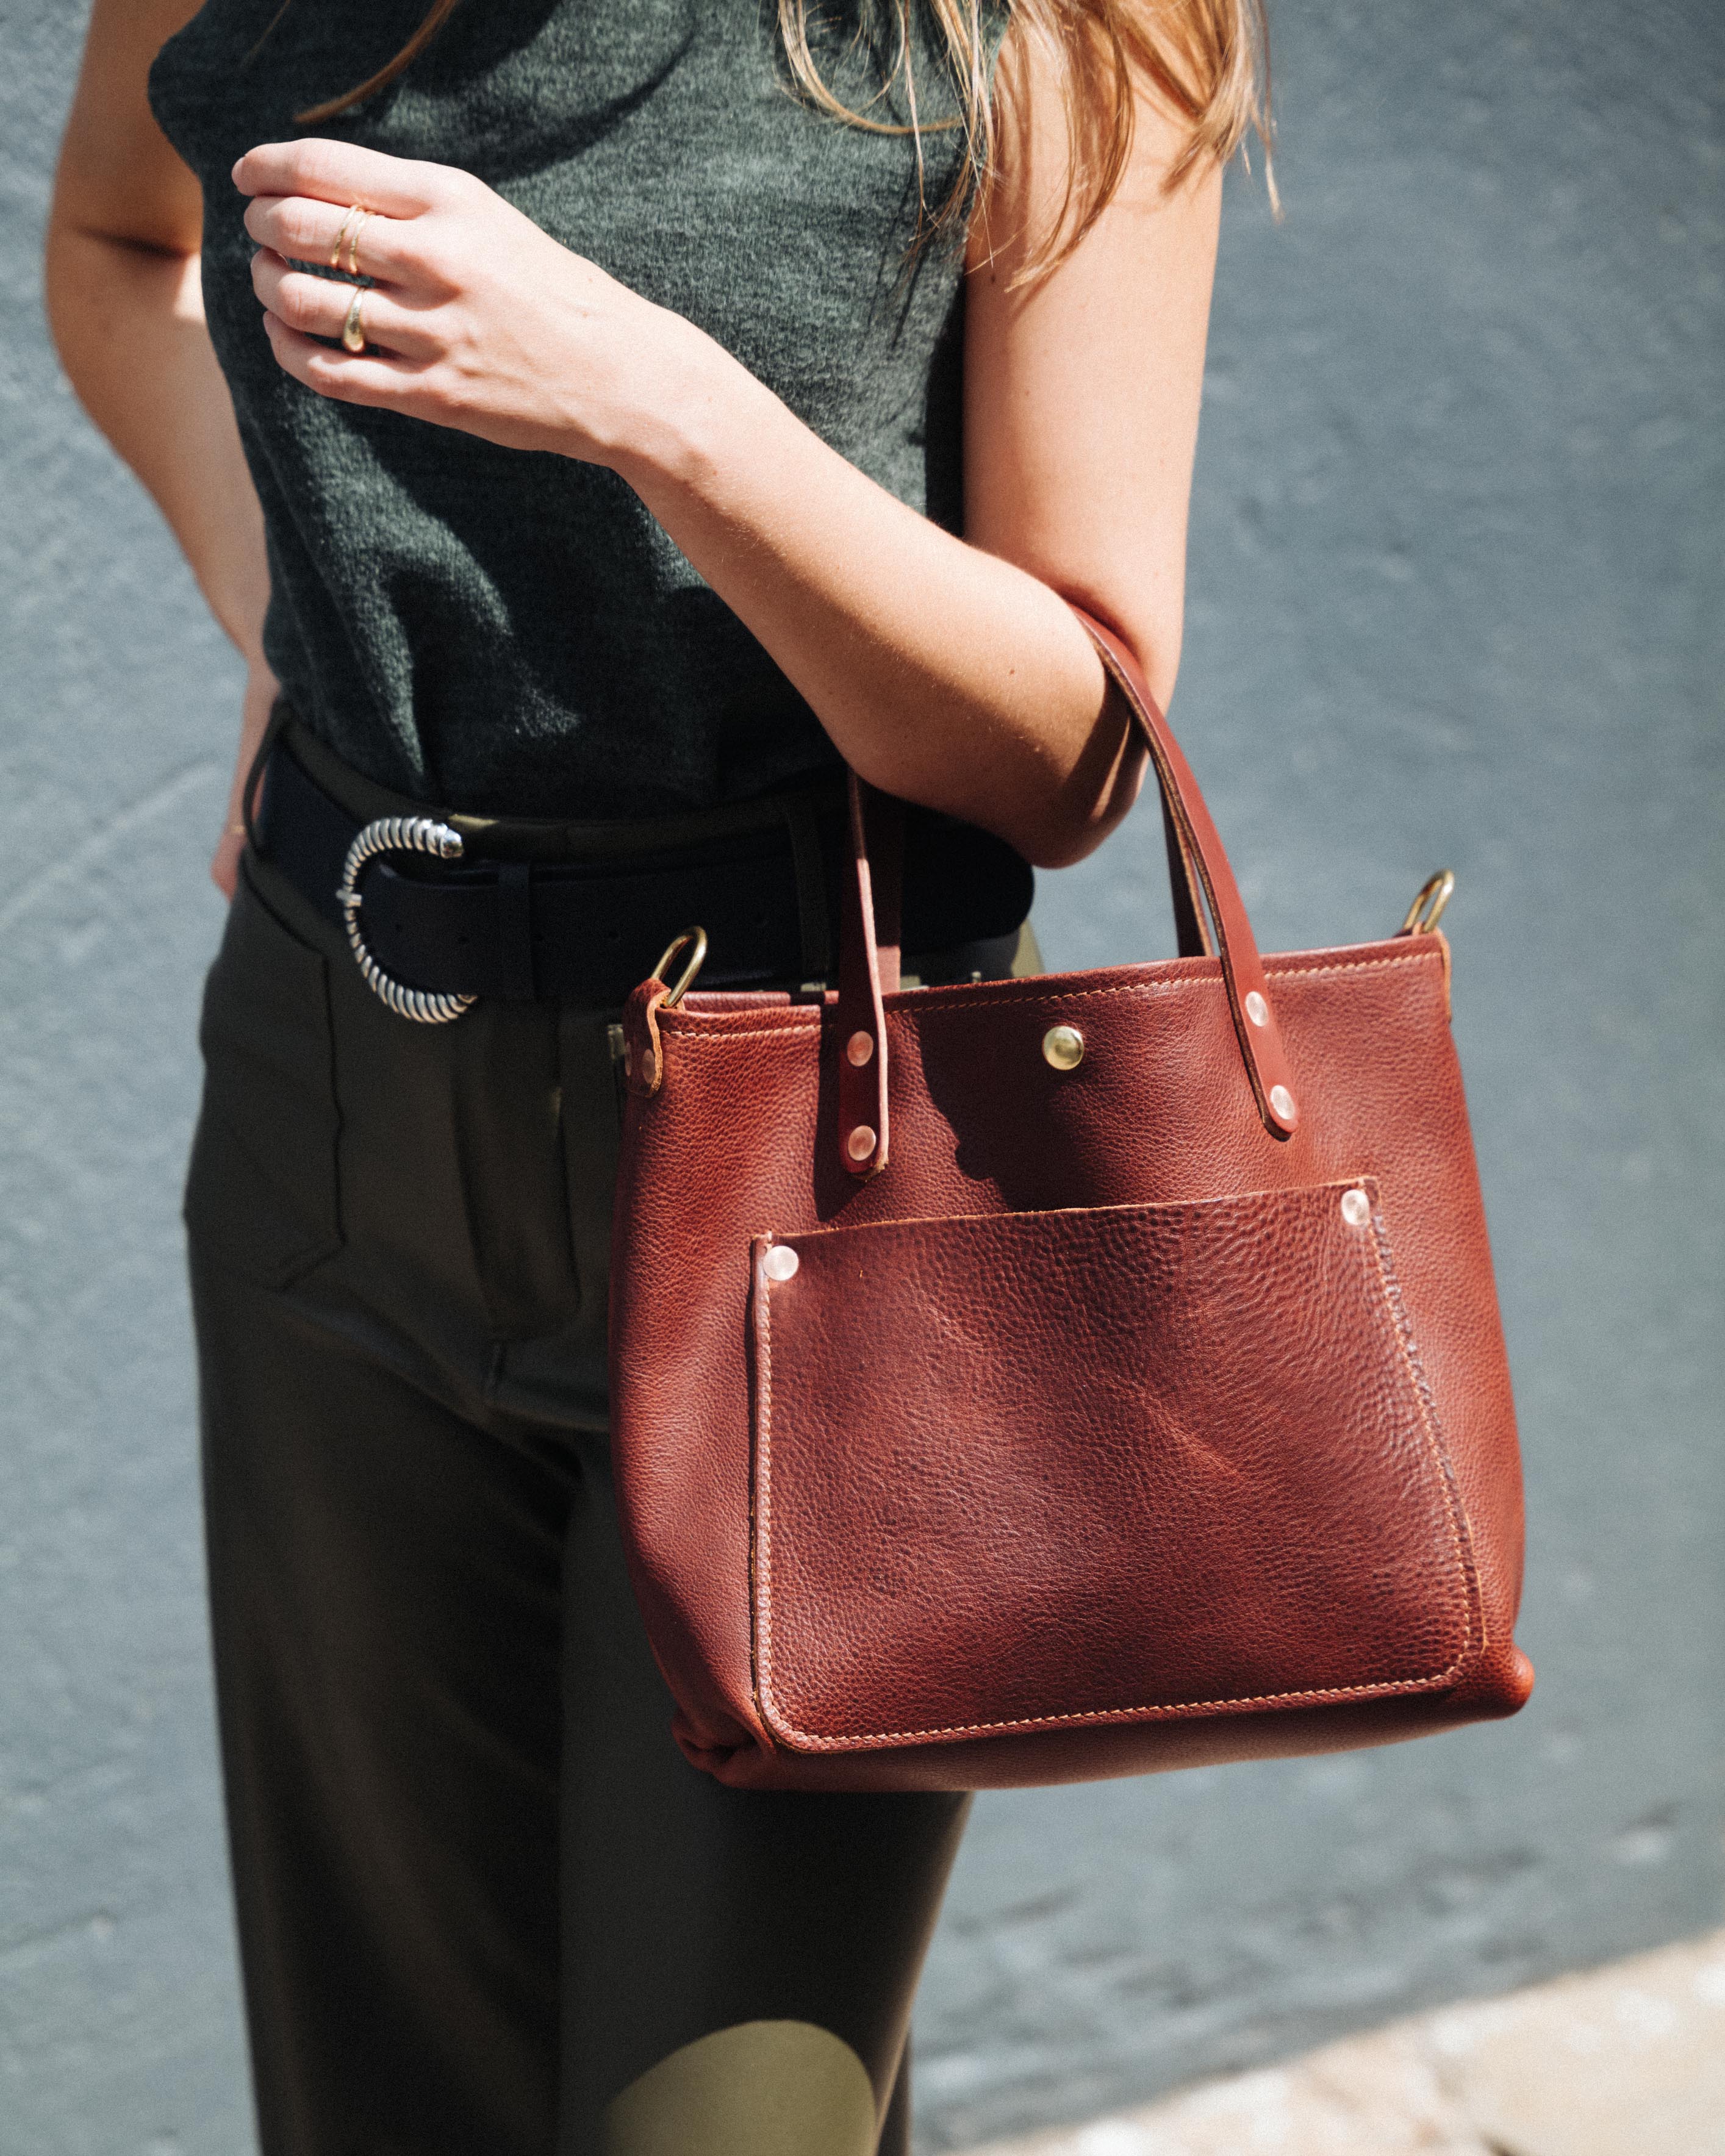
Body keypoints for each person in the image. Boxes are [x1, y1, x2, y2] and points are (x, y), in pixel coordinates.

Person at [46, 2, 1269, 2149]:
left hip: (831, 1169)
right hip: (333, 1117)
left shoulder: (1049, 21)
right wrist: (280, 612)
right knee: (393, 2110)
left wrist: (653, 402)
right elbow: (112, 233)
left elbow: (1072, 744)